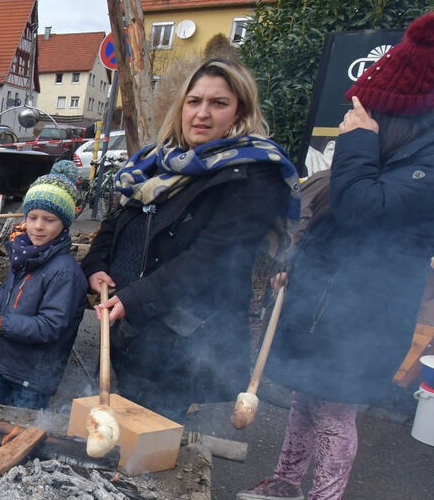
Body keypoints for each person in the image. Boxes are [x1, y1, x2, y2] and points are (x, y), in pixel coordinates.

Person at [243, 10, 434, 500]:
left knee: (333, 411)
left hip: (363, 319)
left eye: (363, 108)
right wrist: (292, 269)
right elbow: (329, 225)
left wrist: (357, 144)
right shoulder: (381, 153)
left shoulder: (419, 162)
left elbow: (360, 211)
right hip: (323, 303)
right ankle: (286, 480)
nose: (352, 115)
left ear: (392, 115)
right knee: (306, 398)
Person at [80, 58, 300, 421]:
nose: (202, 113)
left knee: (151, 436)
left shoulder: (255, 174)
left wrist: (135, 297)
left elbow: (213, 256)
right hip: (132, 328)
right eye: (194, 101)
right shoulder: (156, 162)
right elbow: (116, 221)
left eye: (219, 103)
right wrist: (96, 265)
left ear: (240, 111)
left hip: (185, 339)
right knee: (119, 427)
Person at [0, 162, 88, 409]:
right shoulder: (27, 254)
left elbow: (50, 326)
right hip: (10, 364)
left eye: (49, 220)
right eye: (32, 217)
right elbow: (8, 288)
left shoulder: (65, 272)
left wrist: (0, 325)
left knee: (24, 436)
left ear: (65, 223)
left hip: (35, 375)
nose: (38, 226)